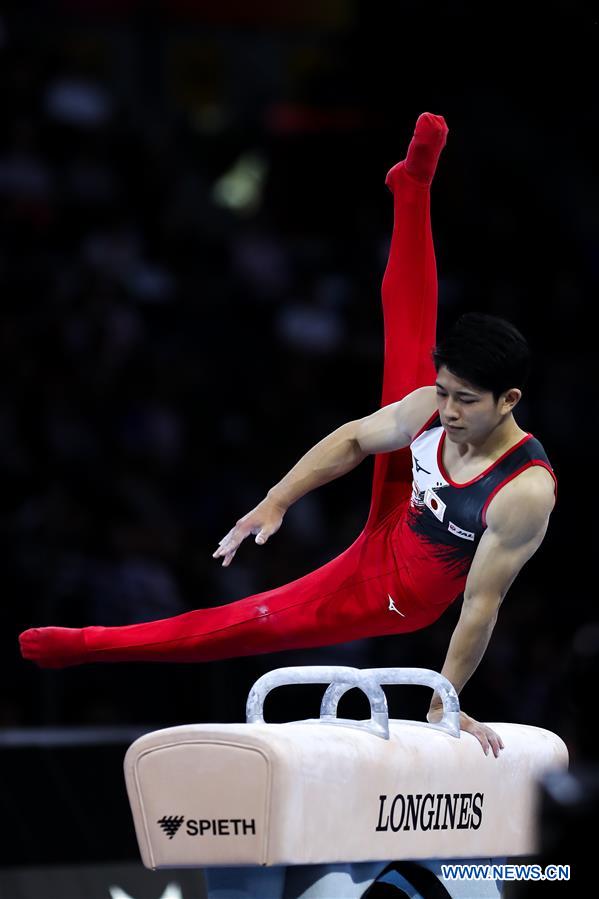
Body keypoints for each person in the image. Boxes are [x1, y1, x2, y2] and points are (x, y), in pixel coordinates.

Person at [19, 113, 557, 757]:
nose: (446, 410)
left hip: (393, 585)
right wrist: (277, 499)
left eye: (465, 401)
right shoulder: (430, 404)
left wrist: (445, 704)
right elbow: (354, 441)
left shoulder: (522, 494)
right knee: (410, 336)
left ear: (510, 401)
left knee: (245, 625)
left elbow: (480, 605)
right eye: (443, 393)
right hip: (401, 503)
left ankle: (88, 645)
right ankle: (413, 186)